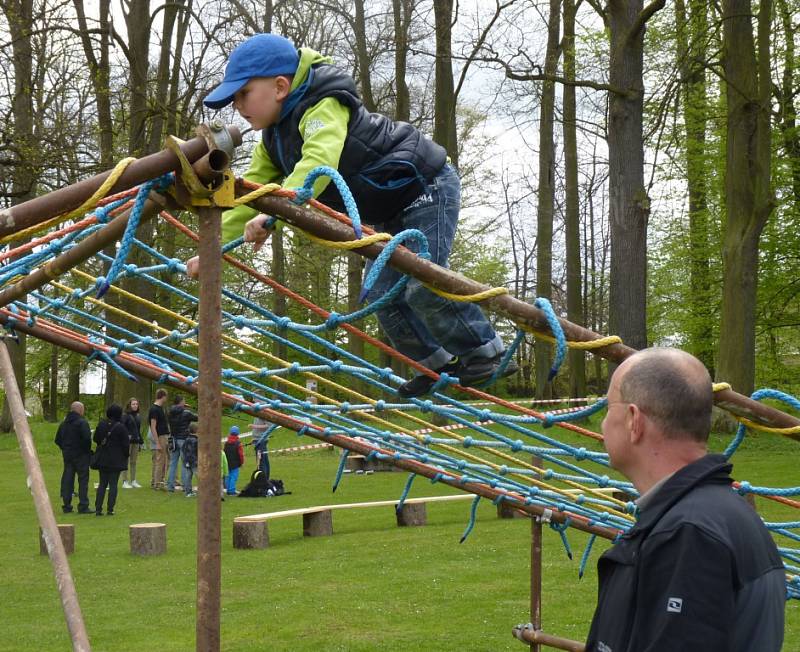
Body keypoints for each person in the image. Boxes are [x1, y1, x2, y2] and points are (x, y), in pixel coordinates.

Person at [190, 33, 517, 397]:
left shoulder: (323, 104)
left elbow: (318, 162)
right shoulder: (273, 142)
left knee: (422, 283)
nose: (238, 106)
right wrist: (211, 246)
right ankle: (436, 364)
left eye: (243, 94)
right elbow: (250, 195)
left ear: (280, 86)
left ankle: (487, 352)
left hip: (425, 185)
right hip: (390, 205)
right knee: (382, 297)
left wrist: (273, 215)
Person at [585, 348, 785, 652]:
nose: (601, 424)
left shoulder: (688, 535)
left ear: (633, 420)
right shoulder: (714, 514)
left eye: (607, 408)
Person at [54, 401, 93, 514]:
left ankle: (66, 505)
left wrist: (65, 448)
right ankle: (83, 505)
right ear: (80, 410)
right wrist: (87, 451)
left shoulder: (63, 424)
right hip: (81, 455)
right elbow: (87, 439)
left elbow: (57, 440)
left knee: (68, 479)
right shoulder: (82, 423)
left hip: (68, 455)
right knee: (83, 480)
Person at [92, 404, 130, 516]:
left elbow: (96, 439)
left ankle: (98, 508)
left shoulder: (102, 424)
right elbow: (125, 445)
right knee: (113, 484)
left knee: (102, 483)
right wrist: (125, 455)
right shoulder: (121, 427)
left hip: (103, 458)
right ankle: (110, 509)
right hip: (116, 459)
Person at [166, 395, 198, 492]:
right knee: (185, 463)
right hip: (183, 440)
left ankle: (170, 486)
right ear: (181, 402)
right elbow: (197, 418)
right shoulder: (186, 413)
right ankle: (185, 486)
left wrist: (184, 409)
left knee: (173, 463)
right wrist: (187, 410)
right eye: (184, 401)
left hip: (173, 439)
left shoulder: (170, 412)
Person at [148, 389, 170, 490]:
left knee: (164, 460)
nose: (167, 398)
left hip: (164, 436)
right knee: (160, 460)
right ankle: (156, 483)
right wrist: (157, 442)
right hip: (160, 436)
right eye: (166, 396)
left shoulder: (161, 408)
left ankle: (160, 481)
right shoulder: (154, 409)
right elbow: (153, 427)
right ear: (163, 396)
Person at [121, 398, 144, 488]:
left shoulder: (138, 416)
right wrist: (127, 435)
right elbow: (122, 428)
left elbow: (138, 430)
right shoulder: (125, 415)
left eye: (136, 404)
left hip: (136, 441)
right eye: (133, 404)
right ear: (129, 405)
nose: (135, 406)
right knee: (125, 460)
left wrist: (141, 441)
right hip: (128, 441)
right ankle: (125, 481)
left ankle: (133, 480)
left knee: (134, 461)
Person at [223, 425, 244, 495]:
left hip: (227, 462)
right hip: (235, 463)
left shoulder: (226, 443)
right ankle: (231, 490)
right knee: (234, 477)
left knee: (228, 476)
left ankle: (228, 488)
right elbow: (241, 455)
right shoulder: (238, 443)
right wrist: (241, 463)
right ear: (238, 433)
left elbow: (224, 452)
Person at [182, 422, 199, 497]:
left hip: (187, 461)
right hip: (194, 461)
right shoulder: (196, 440)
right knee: (199, 475)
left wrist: (186, 459)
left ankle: (188, 492)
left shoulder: (186, 439)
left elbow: (183, 449)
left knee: (188, 476)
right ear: (197, 431)